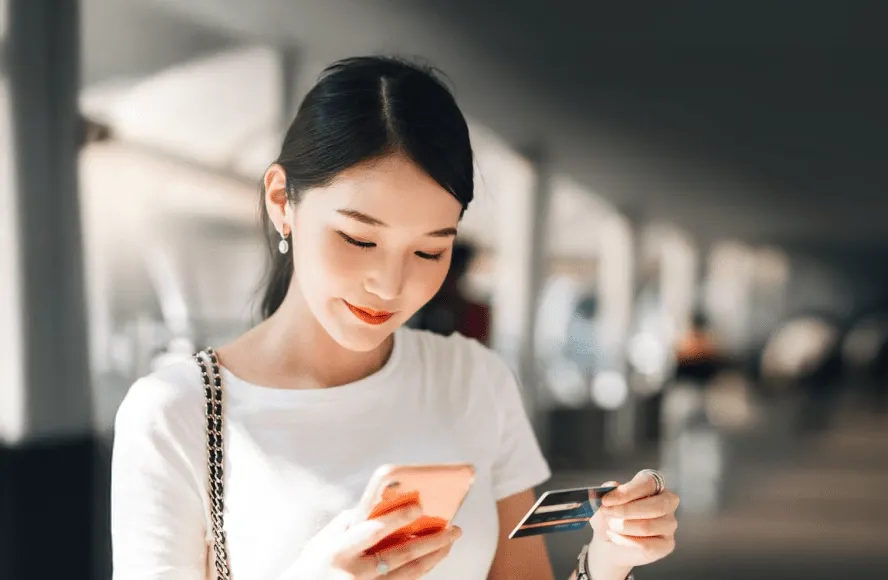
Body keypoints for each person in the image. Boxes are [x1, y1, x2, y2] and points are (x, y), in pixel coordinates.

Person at [110, 57, 678, 580]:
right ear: (283, 201)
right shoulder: (178, 414)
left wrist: (609, 558)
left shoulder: (475, 381)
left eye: (430, 251)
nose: (390, 284)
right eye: (359, 239)